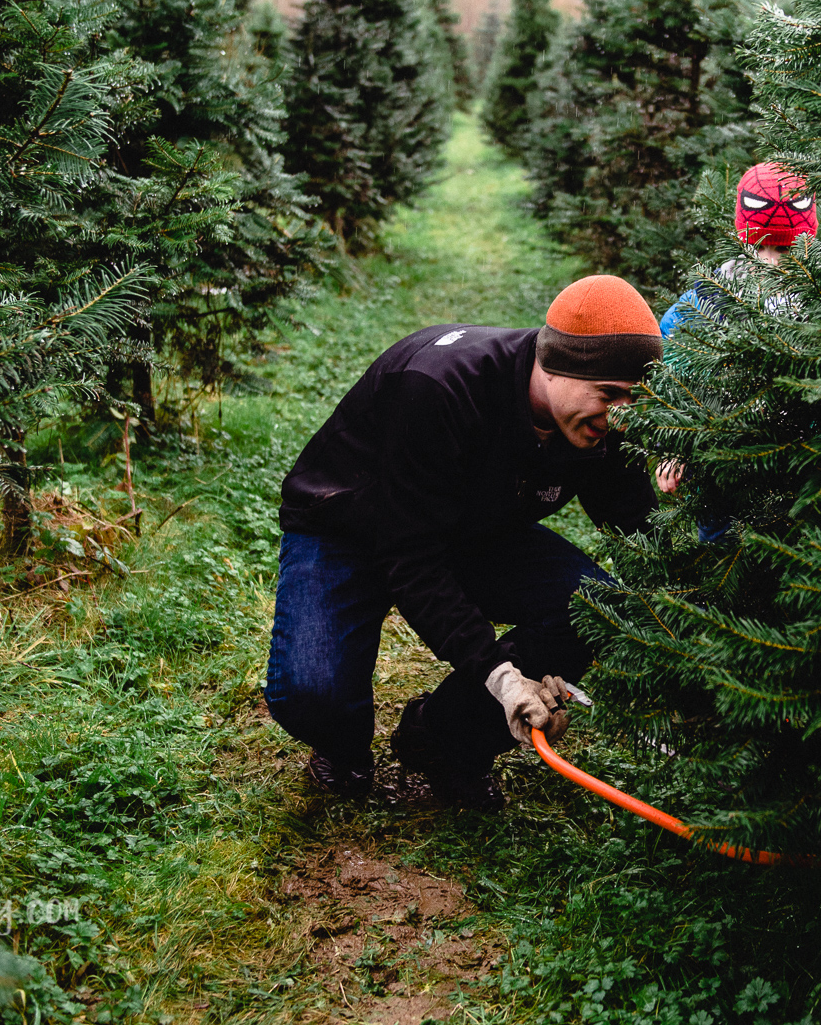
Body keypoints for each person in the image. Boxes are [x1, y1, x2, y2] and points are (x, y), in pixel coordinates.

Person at [268, 274, 662, 811]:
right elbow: (412, 558)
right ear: (555, 368)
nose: (619, 417)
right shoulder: (440, 387)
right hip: (349, 529)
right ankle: (342, 745)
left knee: (594, 608)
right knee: (313, 690)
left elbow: (636, 523)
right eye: (608, 396)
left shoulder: (601, 422)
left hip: (474, 533)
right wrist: (502, 677)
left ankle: (443, 740)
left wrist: (691, 623)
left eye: (633, 400)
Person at [654, 162, 819, 505]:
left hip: (809, 470)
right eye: (760, 249)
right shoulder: (707, 300)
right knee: (721, 547)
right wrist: (674, 445)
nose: (770, 263)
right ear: (742, 239)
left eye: (785, 250)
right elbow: (668, 372)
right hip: (722, 470)